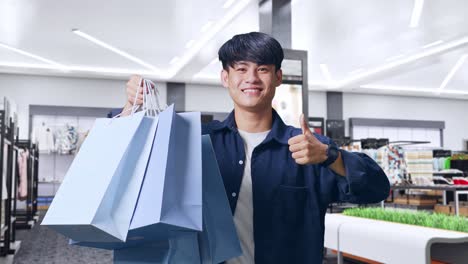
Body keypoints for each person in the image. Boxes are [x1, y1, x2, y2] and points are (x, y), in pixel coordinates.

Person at [121, 32, 390, 264]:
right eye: (240, 68)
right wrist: (130, 110)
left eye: (262, 69)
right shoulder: (199, 142)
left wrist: (332, 156)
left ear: (278, 77)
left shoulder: (309, 148)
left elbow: (377, 188)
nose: (251, 78)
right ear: (225, 77)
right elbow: (132, 164)